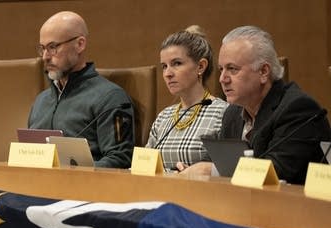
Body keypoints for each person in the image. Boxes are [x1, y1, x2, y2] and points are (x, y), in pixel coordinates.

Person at [183, 26, 331, 184]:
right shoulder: (232, 114)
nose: (222, 79)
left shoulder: (298, 109)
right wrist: (191, 169)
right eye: (221, 69)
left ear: (263, 72)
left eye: (232, 69)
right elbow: (216, 160)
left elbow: (276, 171)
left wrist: (210, 170)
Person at [27, 11, 134, 168]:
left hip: (86, 189)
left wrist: (72, 173)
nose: (45, 56)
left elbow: (120, 160)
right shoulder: (41, 100)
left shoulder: (110, 97)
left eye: (53, 47)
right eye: (42, 48)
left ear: (80, 44)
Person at [146, 26, 228, 171]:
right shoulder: (163, 117)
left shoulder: (223, 114)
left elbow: (232, 170)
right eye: (164, 66)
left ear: (201, 67)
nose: (167, 74)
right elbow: (144, 166)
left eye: (177, 63)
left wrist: (203, 172)